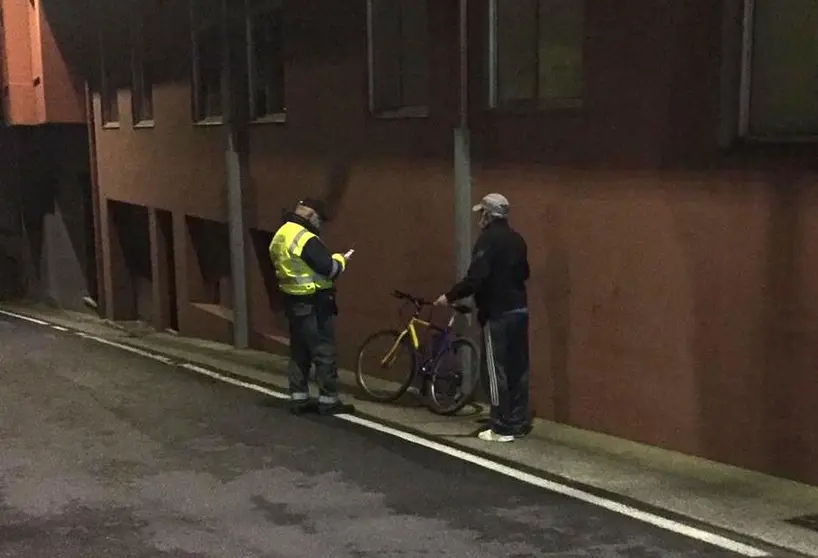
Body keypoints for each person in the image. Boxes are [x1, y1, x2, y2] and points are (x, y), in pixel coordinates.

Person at [434, 193, 531, 442]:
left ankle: (500, 426)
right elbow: (524, 273)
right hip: (519, 310)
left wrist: (450, 296)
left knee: (494, 369)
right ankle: (519, 421)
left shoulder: (488, 240)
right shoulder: (517, 240)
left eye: (481, 213)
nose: (479, 218)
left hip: (497, 313)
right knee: (518, 368)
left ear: (488, 214)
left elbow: (476, 278)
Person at [269, 197, 355, 416]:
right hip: (314, 303)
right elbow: (329, 269)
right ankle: (328, 400)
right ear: (310, 214)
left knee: (300, 351)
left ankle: (298, 398)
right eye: (319, 219)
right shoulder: (305, 238)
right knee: (323, 351)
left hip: (292, 302)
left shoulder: (281, 235)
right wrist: (341, 259)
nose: (320, 224)